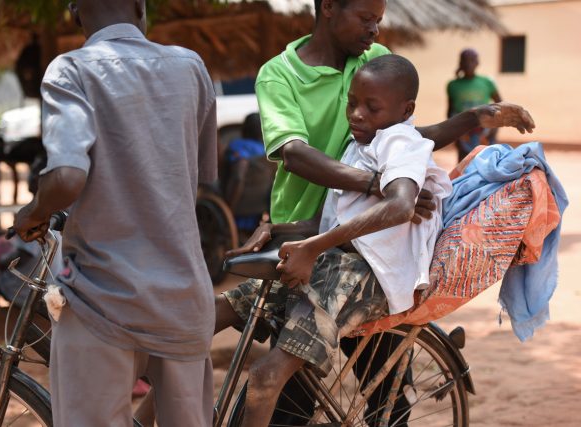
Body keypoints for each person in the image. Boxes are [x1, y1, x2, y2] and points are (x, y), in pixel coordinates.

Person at [219, 0, 533, 425]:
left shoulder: (376, 61)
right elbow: (292, 153)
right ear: (328, 7)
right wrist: (376, 186)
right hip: (304, 234)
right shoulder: (281, 73)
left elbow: (402, 138)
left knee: (383, 390)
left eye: (378, 21)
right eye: (365, 19)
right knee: (290, 392)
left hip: (363, 253)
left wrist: (469, 121)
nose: (374, 30)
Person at [12, 1, 217, 426]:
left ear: (73, 12)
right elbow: (195, 175)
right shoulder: (190, 67)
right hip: (182, 294)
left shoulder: (70, 70)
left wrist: (33, 211)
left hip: (100, 297)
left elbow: (67, 178)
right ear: (141, 6)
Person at [217, 53, 451, 427]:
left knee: (266, 375)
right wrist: (278, 228)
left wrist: (314, 246)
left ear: (405, 110)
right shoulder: (360, 144)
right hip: (333, 263)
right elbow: (333, 215)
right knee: (201, 323)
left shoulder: (400, 142)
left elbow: (402, 205)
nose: (356, 114)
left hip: (362, 273)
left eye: (370, 107)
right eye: (352, 103)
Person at [223, 113, 276, 236]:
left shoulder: (237, 146)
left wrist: (229, 207)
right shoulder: (268, 151)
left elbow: (238, 177)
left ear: (244, 129)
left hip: (237, 209)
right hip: (259, 207)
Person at [447, 48, 503, 161]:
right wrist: (454, 135)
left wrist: (493, 131)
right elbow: (450, 111)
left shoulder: (487, 82)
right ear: (460, 63)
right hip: (462, 131)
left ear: (477, 63)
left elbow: (500, 106)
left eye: (472, 60)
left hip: (484, 130)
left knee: (487, 162)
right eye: (465, 61)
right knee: (464, 164)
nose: (468, 64)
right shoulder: (453, 85)